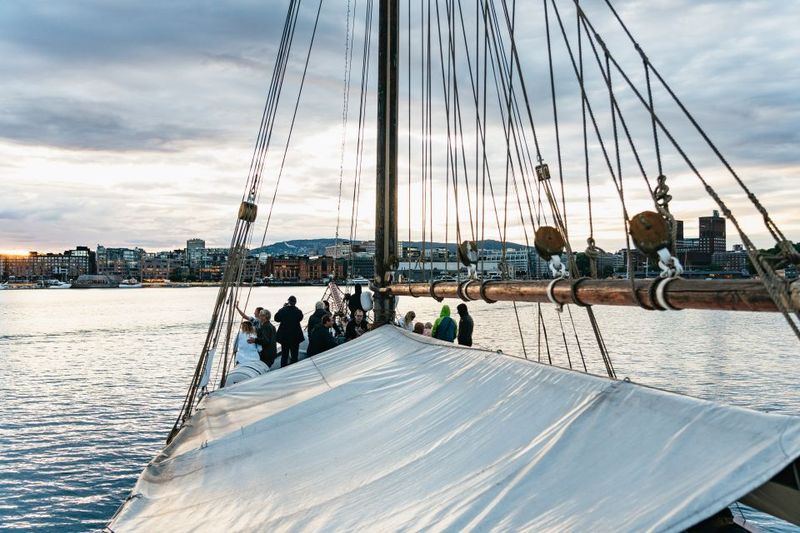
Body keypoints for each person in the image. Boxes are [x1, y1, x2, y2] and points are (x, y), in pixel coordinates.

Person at [275, 295, 304, 367]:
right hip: (295, 337)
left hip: (284, 337)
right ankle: (294, 368)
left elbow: (276, 318)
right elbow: (300, 318)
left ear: (288, 302)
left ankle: (283, 368)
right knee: (294, 355)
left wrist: (283, 307)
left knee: (284, 355)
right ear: (295, 302)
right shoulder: (298, 311)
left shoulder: (283, 310)